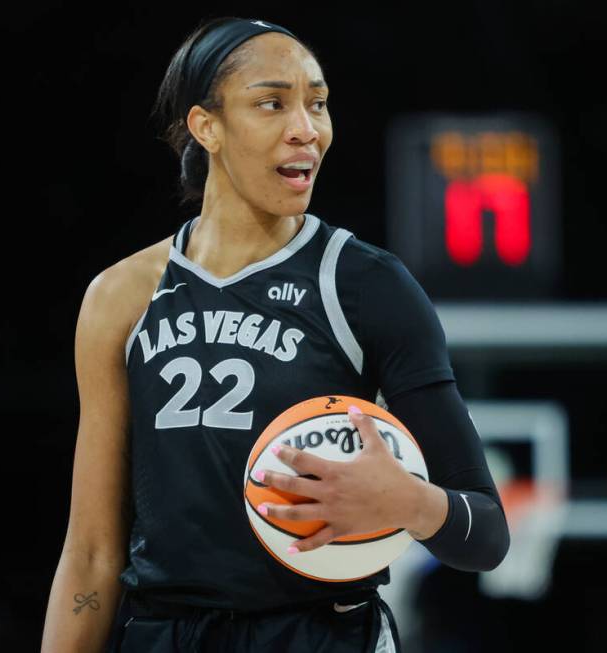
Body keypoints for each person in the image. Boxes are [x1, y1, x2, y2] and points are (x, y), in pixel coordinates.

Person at [40, 16, 510, 653]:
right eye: (272, 103)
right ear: (207, 126)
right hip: (164, 633)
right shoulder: (119, 298)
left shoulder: (367, 285)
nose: (306, 129)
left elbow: (486, 533)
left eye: (317, 103)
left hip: (320, 633)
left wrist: (410, 502)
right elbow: (93, 552)